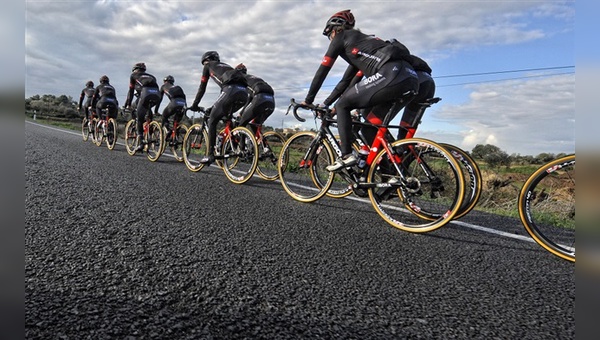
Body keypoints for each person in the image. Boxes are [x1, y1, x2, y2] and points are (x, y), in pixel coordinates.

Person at [301, 9, 419, 172]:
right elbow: (346, 82)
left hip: (392, 74)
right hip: (410, 79)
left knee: (343, 105)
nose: (330, 40)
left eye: (329, 36)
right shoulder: (362, 45)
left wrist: (308, 100)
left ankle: (346, 155)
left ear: (335, 29)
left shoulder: (342, 37)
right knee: (369, 127)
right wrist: (328, 103)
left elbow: (323, 70)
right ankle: (390, 175)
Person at [190, 51, 248, 164]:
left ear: (205, 60)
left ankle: (210, 155)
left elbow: (202, 88)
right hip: (243, 93)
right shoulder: (227, 66)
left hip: (230, 90)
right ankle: (234, 144)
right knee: (225, 114)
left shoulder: (208, 65)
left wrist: (195, 104)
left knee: (212, 120)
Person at [124, 62, 160, 151]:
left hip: (145, 94)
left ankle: (141, 143)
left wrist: (128, 105)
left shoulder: (133, 75)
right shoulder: (152, 76)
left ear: (134, 70)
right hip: (157, 95)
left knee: (139, 118)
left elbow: (131, 92)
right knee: (147, 109)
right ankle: (150, 131)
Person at [234, 63, 275, 135]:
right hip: (271, 100)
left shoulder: (241, 79)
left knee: (241, 125)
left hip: (260, 98)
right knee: (254, 124)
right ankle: (262, 144)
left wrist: (241, 114)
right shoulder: (254, 77)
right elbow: (251, 97)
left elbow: (249, 99)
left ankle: (242, 146)